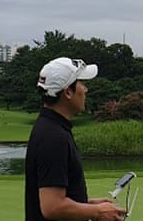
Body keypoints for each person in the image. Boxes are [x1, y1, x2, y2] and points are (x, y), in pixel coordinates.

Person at [25, 57, 127, 221]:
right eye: (81, 83)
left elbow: (56, 196)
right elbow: (52, 206)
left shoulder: (52, 127)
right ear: (67, 92)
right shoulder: (53, 137)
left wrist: (88, 204)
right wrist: (98, 212)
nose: (85, 89)